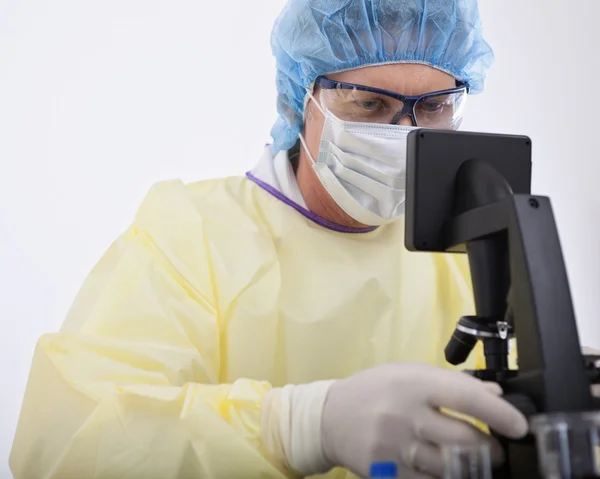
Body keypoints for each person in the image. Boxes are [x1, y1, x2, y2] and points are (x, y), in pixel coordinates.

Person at [9, 1, 599, 478]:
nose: (405, 134)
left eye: (436, 106)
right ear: (302, 99)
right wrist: (297, 426)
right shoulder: (193, 234)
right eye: (370, 104)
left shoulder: (471, 246)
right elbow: (67, 445)